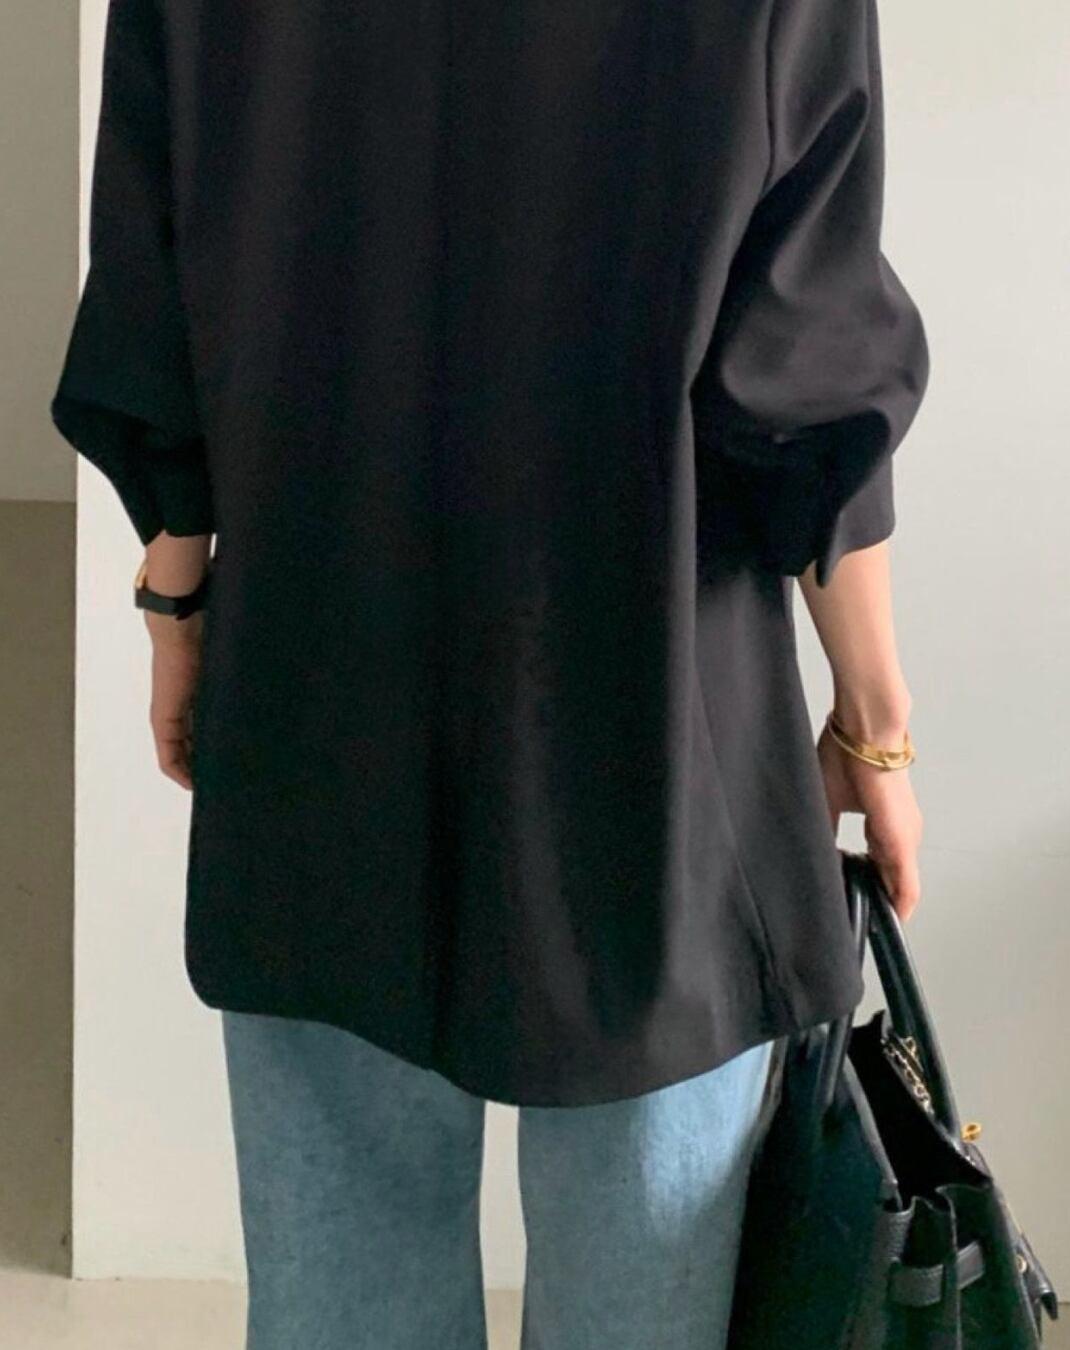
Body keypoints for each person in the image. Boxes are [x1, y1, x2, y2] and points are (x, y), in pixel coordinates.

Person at [49, 0, 928, 1343]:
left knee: (345, 1275)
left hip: (317, 660)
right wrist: (874, 723)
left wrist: (177, 595)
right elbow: (807, 371)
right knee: (644, 1266)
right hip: (650, 717)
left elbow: (151, 270)